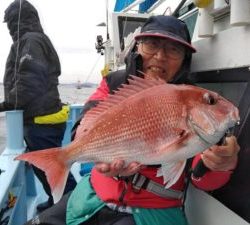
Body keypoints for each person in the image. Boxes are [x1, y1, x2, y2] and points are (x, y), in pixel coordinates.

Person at [25, 15, 239, 225]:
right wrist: (93, 156)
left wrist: (221, 164)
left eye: (173, 49)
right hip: (93, 195)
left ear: (185, 59)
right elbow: (85, 123)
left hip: (152, 209)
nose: (160, 56)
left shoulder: (191, 101)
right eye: (152, 44)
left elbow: (200, 175)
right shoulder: (114, 82)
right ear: (138, 48)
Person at [0, 0, 76, 212]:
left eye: (10, 22)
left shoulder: (30, 40)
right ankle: (57, 201)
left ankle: (72, 207)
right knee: (46, 170)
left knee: (52, 170)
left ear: (17, 21)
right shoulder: (32, 39)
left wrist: (6, 104)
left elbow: (29, 81)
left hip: (42, 123)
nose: (7, 27)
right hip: (41, 120)